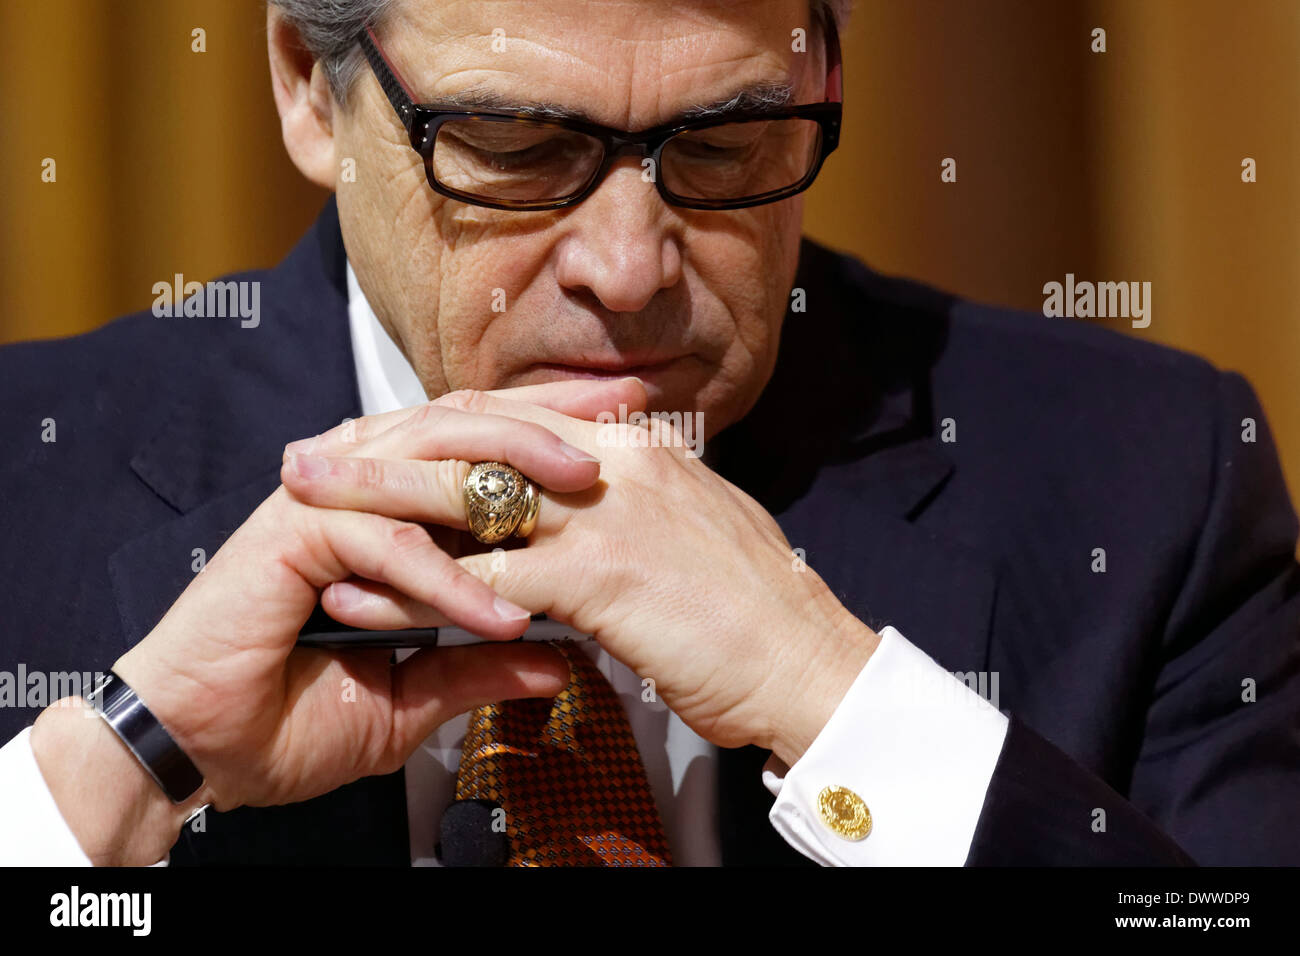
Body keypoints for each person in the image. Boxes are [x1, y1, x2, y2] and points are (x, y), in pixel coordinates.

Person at [1, 0, 1296, 866]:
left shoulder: (1146, 477)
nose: (628, 271)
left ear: (828, 83)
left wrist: (845, 705)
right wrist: (124, 765)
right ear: (309, 93)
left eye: (727, 142)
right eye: (512, 142)